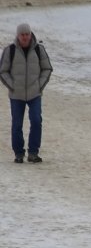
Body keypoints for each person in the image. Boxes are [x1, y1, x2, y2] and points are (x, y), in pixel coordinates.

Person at [0, 23, 52, 163]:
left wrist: (39, 85)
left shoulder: (39, 50)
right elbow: (3, 71)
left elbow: (47, 68)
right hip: (16, 95)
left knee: (36, 121)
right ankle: (18, 153)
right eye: (22, 34)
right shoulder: (9, 50)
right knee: (17, 124)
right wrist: (12, 86)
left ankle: (33, 152)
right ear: (18, 35)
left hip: (35, 94)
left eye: (27, 34)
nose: (25, 37)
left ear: (30, 34)